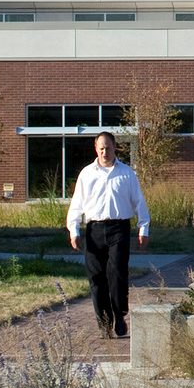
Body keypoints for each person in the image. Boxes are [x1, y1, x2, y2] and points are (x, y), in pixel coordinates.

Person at [66, 130, 149, 338]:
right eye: (101, 148)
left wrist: (143, 227)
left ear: (115, 148)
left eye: (108, 148)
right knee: (96, 278)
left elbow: (139, 201)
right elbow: (77, 204)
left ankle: (119, 315)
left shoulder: (127, 173)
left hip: (119, 228)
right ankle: (104, 322)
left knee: (117, 274)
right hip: (94, 230)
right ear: (96, 149)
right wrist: (74, 229)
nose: (105, 152)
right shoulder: (87, 173)